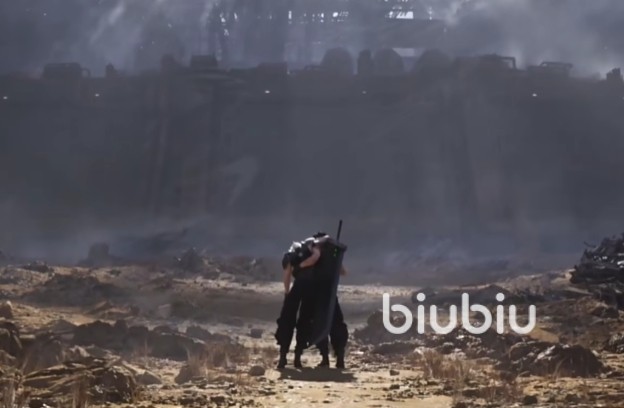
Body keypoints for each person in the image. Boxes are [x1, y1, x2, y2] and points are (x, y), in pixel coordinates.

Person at [306, 232, 350, 369]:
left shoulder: (315, 254)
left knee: (321, 324)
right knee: (335, 326)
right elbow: (343, 272)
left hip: (319, 296)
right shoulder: (332, 255)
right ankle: (337, 358)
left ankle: (328, 358)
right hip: (329, 296)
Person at [274, 239, 319, 369]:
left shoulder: (290, 255)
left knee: (287, 321)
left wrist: (287, 293)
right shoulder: (313, 248)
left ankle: (283, 357)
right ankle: (297, 357)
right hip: (310, 288)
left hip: (298, 286)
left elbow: (287, 275)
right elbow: (315, 259)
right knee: (305, 322)